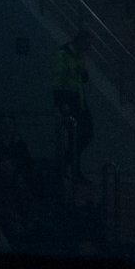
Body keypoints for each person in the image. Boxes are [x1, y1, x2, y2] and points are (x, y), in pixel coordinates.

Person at [51, 32, 94, 183]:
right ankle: (71, 168)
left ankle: (66, 164)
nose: (88, 47)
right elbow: (57, 80)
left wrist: (83, 72)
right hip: (69, 100)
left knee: (85, 134)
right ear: (79, 41)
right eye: (86, 43)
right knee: (74, 136)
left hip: (79, 100)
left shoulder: (79, 56)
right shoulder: (63, 55)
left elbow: (84, 78)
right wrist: (61, 103)